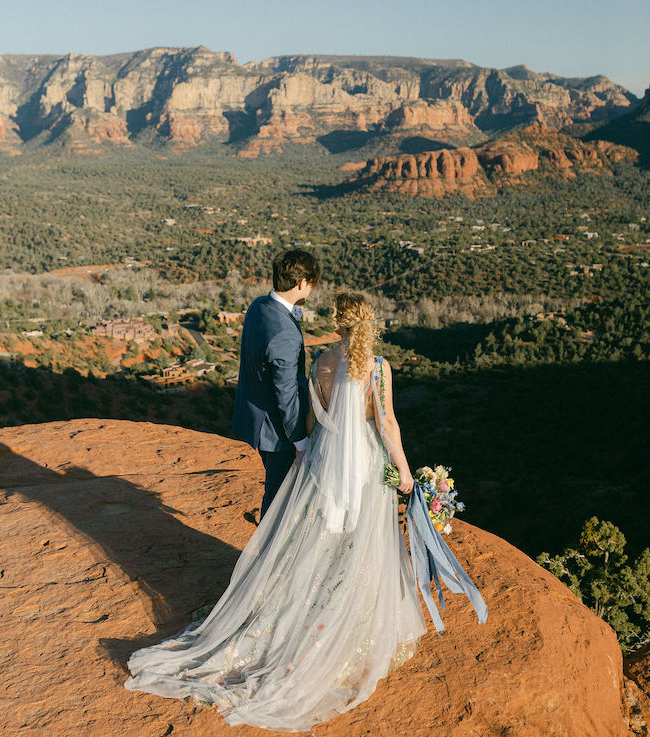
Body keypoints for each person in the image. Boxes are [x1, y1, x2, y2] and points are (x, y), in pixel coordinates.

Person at [124, 291, 487, 731]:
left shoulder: (321, 362)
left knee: (315, 539)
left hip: (323, 460)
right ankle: (341, 620)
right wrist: (407, 475)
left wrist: (309, 456)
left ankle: (298, 609)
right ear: (369, 324)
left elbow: (314, 418)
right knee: (358, 542)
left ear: (338, 325)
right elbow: (386, 423)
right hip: (365, 465)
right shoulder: (377, 368)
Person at [232, 249, 321, 519]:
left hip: (256, 421)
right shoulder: (284, 331)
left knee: (277, 493)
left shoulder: (259, 306)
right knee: (279, 502)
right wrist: (300, 439)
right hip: (279, 432)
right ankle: (267, 557)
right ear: (302, 283)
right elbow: (286, 392)